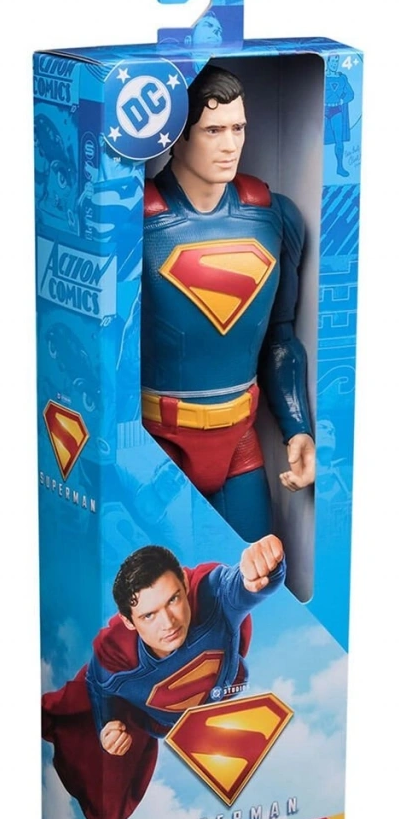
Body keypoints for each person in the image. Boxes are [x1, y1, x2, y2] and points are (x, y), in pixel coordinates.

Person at [142, 65, 315, 542]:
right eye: (213, 130)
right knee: (160, 583)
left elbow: (280, 337)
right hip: (158, 445)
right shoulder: (136, 224)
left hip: (239, 441)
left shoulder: (274, 217)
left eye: (238, 128)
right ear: (176, 136)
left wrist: (298, 427)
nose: (230, 144)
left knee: (258, 578)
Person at [42, 535, 286, 819]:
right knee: (106, 803)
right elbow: (96, 683)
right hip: (156, 723)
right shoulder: (117, 657)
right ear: (129, 621)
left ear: (184, 583)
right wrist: (107, 723)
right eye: (149, 615)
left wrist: (264, 567)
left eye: (173, 599)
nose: (168, 623)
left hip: (219, 695)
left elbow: (240, 585)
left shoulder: (210, 597)